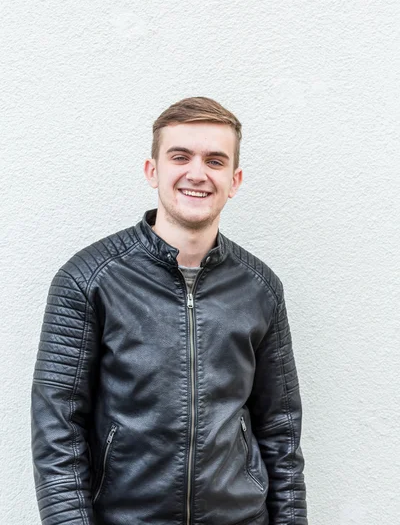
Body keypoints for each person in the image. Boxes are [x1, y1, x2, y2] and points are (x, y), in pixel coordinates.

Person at [31, 97, 308, 525]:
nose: (197, 173)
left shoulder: (260, 288)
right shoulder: (88, 279)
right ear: (152, 170)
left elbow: (281, 431)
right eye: (180, 156)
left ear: (233, 180)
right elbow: (57, 430)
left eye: (215, 161)